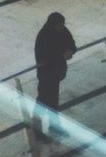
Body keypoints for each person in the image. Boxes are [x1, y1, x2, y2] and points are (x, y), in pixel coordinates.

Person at [33, 12, 77, 140]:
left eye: (62, 25)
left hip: (56, 74)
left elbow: (71, 43)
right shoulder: (43, 36)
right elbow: (43, 58)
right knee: (43, 101)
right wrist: (61, 56)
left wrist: (70, 50)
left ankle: (53, 127)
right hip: (46, 75)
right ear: (52, 25)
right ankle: (38, 131)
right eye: (59, 26)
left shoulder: (62, 31)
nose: (61, 28)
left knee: (53, 101)